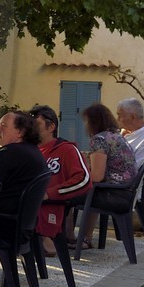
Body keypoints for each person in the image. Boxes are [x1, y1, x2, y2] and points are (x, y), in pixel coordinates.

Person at [0, 110, 49, 250]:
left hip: (1, 229)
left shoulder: (10, 154)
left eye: (3, 125)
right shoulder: (32, 152)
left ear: (20, 131)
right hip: (21, 228)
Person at [30, 105, 91, 255]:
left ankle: (46, 240)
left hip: (51, 204)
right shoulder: (30, 150)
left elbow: (83, 179)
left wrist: (49, 193)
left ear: (51, 126)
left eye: (36, 125)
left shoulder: (66, 149)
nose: (32, 129)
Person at [83, 102, 137, 189]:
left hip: (111, 192)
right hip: (126, 191)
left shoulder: (99, 140)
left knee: (66, 196)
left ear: (93, 122)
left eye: (87, 121)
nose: (86, 125)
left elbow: (97, 177)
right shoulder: (117, 137)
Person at [117, 98, 144, 175]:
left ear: (132, 117)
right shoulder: (126, 134)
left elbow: (131, 171)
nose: (117, 119)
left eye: (120, 116)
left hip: (122, 185)